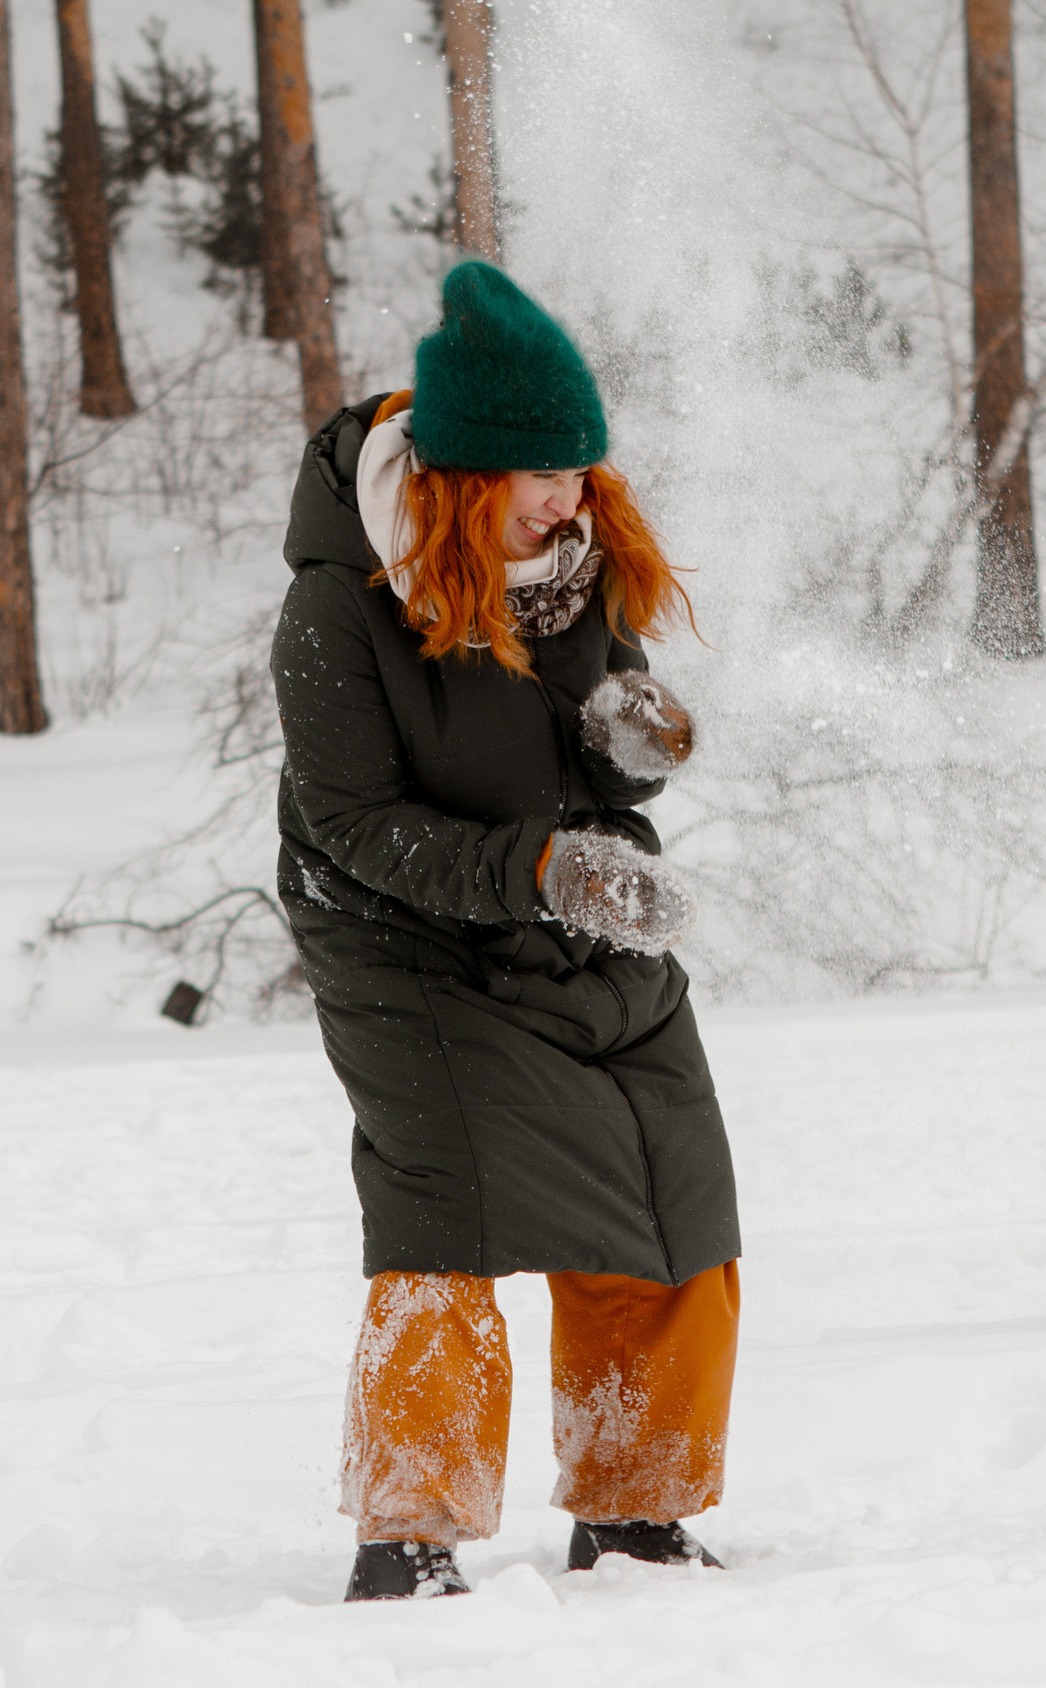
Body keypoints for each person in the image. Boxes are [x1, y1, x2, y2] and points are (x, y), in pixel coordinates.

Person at [271, 262, 741, 1601]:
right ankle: (409, 1533)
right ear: (466, 473)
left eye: (581, 470)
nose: (568, 498)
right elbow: (352, 823)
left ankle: (636, 1510)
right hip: (401, 938)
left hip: (577, 911)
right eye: (542, 474)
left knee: (675, 1192)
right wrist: (544, 867)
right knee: (449, 1214)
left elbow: (605, 740)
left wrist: (633, 742)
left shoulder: (584, 565)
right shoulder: (337, 606)